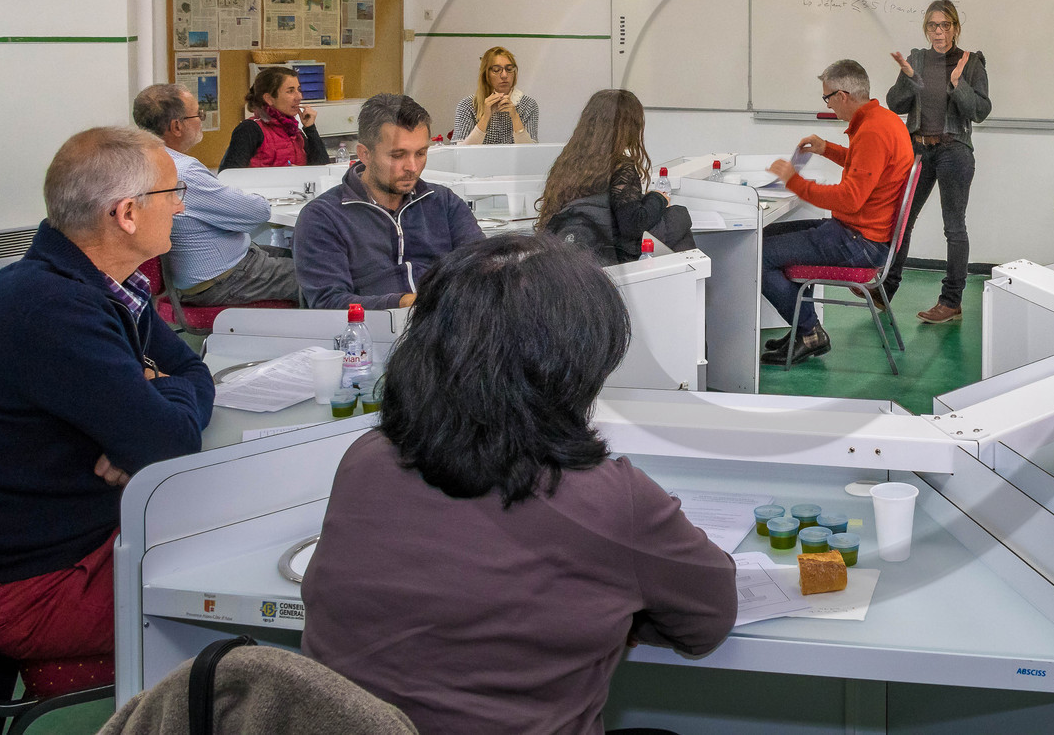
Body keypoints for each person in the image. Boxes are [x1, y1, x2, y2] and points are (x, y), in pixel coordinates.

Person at [302, 235, 736, 735]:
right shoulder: (613, 501)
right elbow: (706, 624)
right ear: (575, 363)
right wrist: (622, 611)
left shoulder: (365, 460)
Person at [0, 128, 214, 676]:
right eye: (173, 194)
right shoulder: (48, 305)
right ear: (127, 213)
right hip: (40, 585)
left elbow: (193, 367)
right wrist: (153, 401)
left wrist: (154, 388)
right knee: (246, 604)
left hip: (88, 538)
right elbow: (171, 442)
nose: (181, 207)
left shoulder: (101, 283)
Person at [759, 59, 914, 365]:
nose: (828, 105)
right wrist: (826, 148)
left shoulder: (871, 131)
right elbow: (865, 166)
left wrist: (795, 182)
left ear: (843, 96)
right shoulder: (885, 120)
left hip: (860, 243)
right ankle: (803, 326)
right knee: (764, 236)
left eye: (827, 97)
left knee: (757, 252)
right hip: (865, 235)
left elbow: (850, 199)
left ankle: (808, 332)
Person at [294, 94, 481, 310]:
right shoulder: (323, 217)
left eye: (420, 153)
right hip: (370, 335)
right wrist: (405, 304)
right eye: (397, 155)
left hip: (446, 329)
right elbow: (329, 303)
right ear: (365, 154)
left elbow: (483, 269)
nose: (412, 166)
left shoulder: (444, 202)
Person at [132, 84, 299, 306]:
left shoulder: (135, 160)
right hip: (226, 279)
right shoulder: (183, 171)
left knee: (304, 256)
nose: (202, 119)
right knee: (326, 275)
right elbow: (257, 212)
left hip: (203, 273)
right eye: (198, 114)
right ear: (176, 126)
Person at [883, 0, 991, 324]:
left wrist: (958, 85)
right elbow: (895, 104)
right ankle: (884, 289)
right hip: (917, 149)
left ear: (956, 28)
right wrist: (907, 78)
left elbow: (980, 111)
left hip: (953, 150)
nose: (939, 31)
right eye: (933, 25)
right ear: (926, 28)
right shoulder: (916, 59)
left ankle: (951, 300)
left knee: (953, 227)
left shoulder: (971, 63)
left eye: (945, 25)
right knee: (901, 219)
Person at [534, 89, 692, 265]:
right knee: (679, 216)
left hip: (580, 251)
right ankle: (692, 283)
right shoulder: (620, 166)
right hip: (614, 254)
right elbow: (633, 225)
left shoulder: (568, 162)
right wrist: (658, 198)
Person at [218, 65, 330, 170]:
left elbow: (322, 169)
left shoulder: (294, 131)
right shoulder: (250, 129)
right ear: (269, 99)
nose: (299, 97)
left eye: (299, 90)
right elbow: (229, 175)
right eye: (290, 91)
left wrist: (310, 129)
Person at [453, 46, 539, 144]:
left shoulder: (528, 105)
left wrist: (515, 117)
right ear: (486, 74)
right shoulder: (468, 105)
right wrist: (485, 117)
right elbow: (459, 152)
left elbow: (531, 152)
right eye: (496, 70)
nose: (504, 75)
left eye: (509, 69)